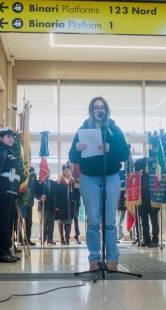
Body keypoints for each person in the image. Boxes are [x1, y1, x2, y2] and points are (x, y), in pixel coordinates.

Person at [69, 97, 130, 271]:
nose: (99, 110)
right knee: (93, 221)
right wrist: (77, 149)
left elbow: (124, 154)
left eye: (102, 107)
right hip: (88, 178)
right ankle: (94, 259)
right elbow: (72, 156)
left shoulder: (114, 129)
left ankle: (112, 259)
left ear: (106, 110)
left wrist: (110, 148)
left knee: (109, 221)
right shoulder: (82, 129)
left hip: (110, 177)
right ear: (91, 110)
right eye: (95, 107)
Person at [0, 127, 22, 262]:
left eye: (12, 136)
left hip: (12, 191)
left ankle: (6, 250)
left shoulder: (10, 152)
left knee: (9, 222)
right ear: (1, 138)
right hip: (4, 190)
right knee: (4, 222)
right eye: (8, 136)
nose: (11, 139)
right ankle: (1, 253)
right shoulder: (1, 151)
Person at [135, 157, 160, 247]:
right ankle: (146, 239)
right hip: (142, 199)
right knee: (144, 220)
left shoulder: (152, 174)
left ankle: (155, 239)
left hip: (151, 198)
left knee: (153, 220)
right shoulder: (138, 174)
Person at [55, 164, 75, 245]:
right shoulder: (59, 181)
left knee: (69, 222)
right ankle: (62, 238)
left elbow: (76, 192)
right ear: (63, 171)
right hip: (61, 204)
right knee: (61, 222)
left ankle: (67, 238)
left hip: (70, 204)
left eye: (68, 169)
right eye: (65, 169)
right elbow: (56, 195)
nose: (67, 171)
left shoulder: (72, 181)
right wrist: (56, 205)